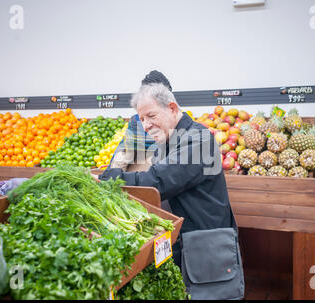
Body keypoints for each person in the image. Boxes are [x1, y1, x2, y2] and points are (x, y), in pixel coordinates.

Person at [99, 79, 235, 268]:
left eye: (151, 116)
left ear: (171, 108)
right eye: (142, 119)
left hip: (206, 248)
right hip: (185, 243)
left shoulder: (199, 139)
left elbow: (158, 181)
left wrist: (109, 177)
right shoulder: (167, 143)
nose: (146, 125)